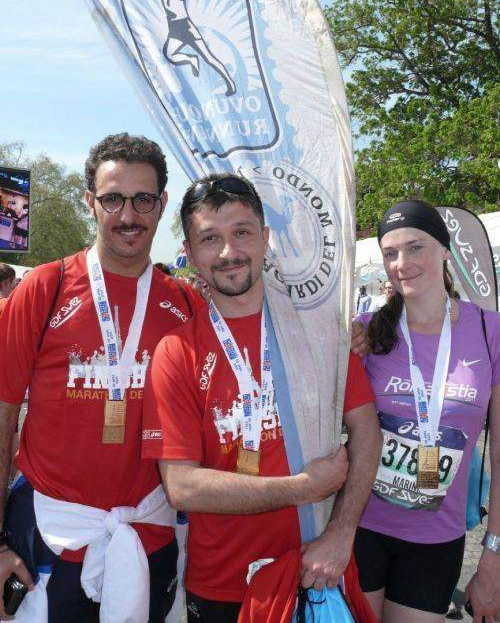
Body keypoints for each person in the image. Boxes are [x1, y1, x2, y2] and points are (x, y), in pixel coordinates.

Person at [142, 174, 382, 622]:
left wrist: (341, 532)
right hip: (221, 586)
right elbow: (183, 486)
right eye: (209, 239)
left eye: (242, 232)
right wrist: (303, 487)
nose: (228, 252)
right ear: (190, 252)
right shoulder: (177, 351)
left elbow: (367, 429)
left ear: (265, 238)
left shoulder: (320, 331)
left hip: (313, 570)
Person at [0, 133, 201, 622]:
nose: (128, 215)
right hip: (51, 536)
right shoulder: (44, 288)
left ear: (162, 205)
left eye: (143, 199)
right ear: (90, 202)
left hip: (149, 534)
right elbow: (2, 417)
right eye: (113, 199)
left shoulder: (185, 303)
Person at [352, 200, 500, 623]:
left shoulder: (490, 330)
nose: (401, 264)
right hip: (361, 526)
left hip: (436, 541)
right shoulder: (367, 330)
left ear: (445, 251)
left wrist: (493, 553)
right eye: (390, 253)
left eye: (415, 247)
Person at [158, 0, 236, 96]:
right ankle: (191, 59)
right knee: (169, 54)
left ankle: (230, 82)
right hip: (175, 28)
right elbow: (168, 7)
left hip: (186, 26)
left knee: (209, 58)